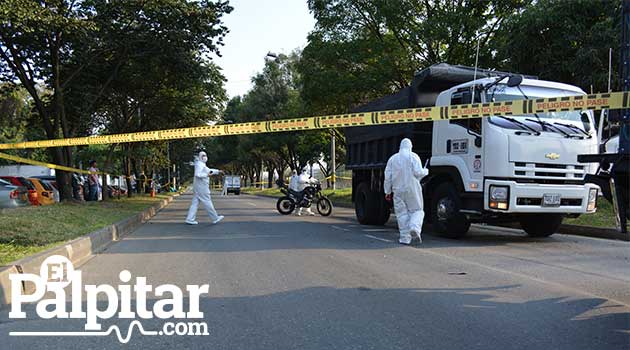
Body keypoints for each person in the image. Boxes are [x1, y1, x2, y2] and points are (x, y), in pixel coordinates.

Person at [384, 138, 429, 245]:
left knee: (401, 214)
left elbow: (387, 177)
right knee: (417, 210)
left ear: (400, 146)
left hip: (397, 190)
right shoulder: (414, 156)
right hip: (412, 188)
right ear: (410, 146)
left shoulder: (392, 159)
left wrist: (387, 191)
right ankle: (414, 228)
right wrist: (426, 171)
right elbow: (418, 173)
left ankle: (404, 238)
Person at [185, 151, 224, 225]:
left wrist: (218, 171)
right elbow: (198, 174)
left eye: (205, 155)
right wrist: (207, 175)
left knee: (194, 203)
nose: (205, 157)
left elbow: (209, 170)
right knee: (207, 202)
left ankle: (190, 219)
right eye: (203, 155)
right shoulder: (199, 164)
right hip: (202, 187)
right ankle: (215, 218)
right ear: (200, 157)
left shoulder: (202, 164)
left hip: (198, 187)